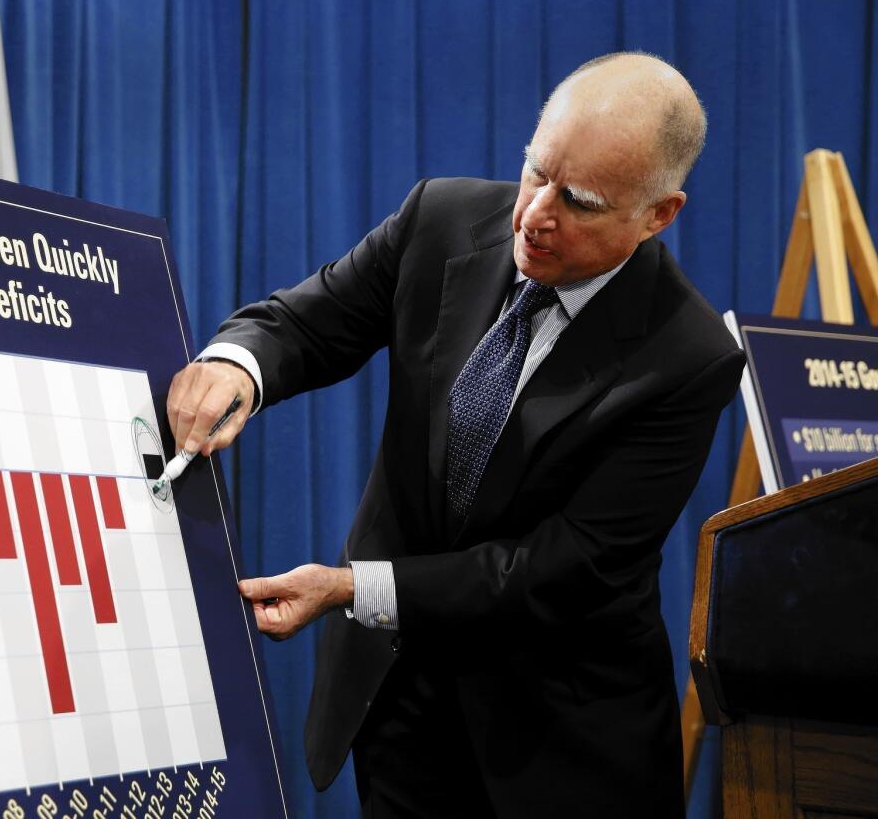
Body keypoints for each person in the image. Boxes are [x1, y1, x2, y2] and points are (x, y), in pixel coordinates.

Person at [166, 52, 744, 818]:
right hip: (399, 701)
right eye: (538, 170)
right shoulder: (440, 220)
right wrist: (237, 366)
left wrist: (352, 588)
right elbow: (308, 322)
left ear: (657, 214)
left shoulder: (688, 357)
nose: (537, 213)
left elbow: (560, 569)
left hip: (555, 744)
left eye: (580, 201)